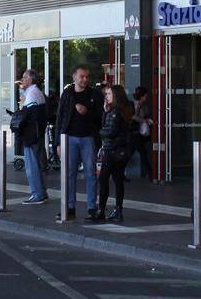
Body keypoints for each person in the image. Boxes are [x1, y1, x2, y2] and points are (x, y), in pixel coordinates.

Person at [56, 64, 102, 220]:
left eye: (87, 77)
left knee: (90, 173)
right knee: (70, 173)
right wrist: (58, 142)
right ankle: (69, 207)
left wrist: (86, 112)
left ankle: (91, 208)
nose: (85, 79)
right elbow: (60, 117)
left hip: (88, 137)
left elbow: (100, 117)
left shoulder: (94, 94)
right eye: (82, 76)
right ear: (74, 77)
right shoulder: (67, 94)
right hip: (69, 138)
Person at [94, 84, 133, 222]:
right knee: (118, 180)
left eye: (109, 94)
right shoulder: (125, 110)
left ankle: (101, 211)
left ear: (115, 96)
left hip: (111, 150)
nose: (106, 96)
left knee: (103, 180)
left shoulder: (114, 112)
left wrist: (99, 132)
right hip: (122, 151)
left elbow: (109, 131)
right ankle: (118, 210)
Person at [11, 69, 48, 204]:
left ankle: (37, 194)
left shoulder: (32, 95)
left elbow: (28, 116)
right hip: (37, 134)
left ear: (30, 80)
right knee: (36, 164)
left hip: (31, 135)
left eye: (24, 77)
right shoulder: (37, 93)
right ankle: (41, 192)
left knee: (31, 166)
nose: (22, 80)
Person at [129, 86, 154, 180]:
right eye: (146, 95)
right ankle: (150, 173)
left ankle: (118, 170)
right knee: (142, 153)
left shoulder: (142, 105)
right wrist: (144, 121)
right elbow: (133, 117)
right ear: (142, 96)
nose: (147, 97)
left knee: (131, 152)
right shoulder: (137, 105)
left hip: (137, 134)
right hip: (135, 133)